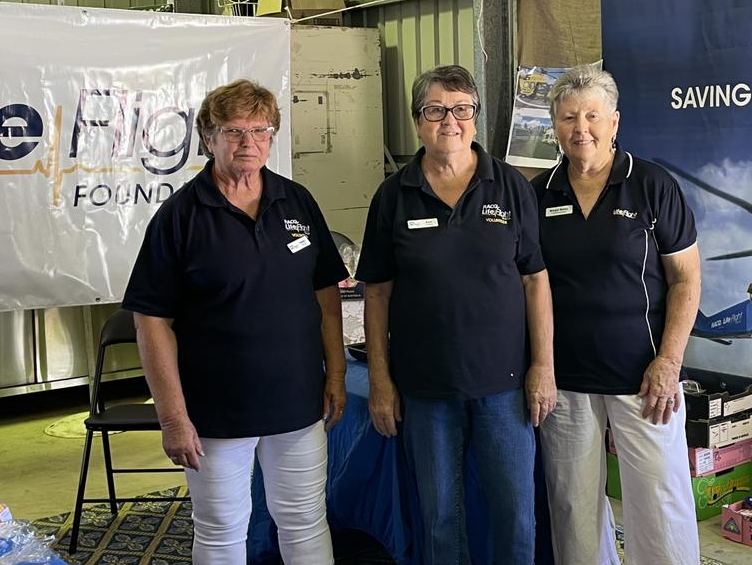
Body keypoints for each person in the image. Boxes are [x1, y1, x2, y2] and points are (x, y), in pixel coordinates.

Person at [122, 80, 349, 565]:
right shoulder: (180, 215)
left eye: (260, 130)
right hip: (215, 413)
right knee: (223, 531)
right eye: (234, 131)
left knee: (305, 521)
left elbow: (326, 296)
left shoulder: (297, 202)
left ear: (272, 136)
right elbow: (151, 322)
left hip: (297, 403)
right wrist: (173, 418)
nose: (249, 142)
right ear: (208, 138)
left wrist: (335, 374)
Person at [356, 65, 556, 565]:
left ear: (475, 117)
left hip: (505, 388)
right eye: (436, 110)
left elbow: (536, 281)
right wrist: (380, 381)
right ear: (418, 122)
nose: (451, 121)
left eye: (462, 109)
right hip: (425, 392)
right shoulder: (392, 196)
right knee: (439, 519)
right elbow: (376, 294)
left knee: (515, 515)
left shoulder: (510, 187)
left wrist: (543, 367)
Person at [531, 65, 702, 565]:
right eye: (567, 117)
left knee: (659, 501)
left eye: (592, 115)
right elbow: (527, 285)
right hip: (565, 380)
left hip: (645, 378)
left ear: (615, 122)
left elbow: (686, 281)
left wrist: (669, 361)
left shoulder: (651, 185)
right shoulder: (538, 195)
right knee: (572, 506)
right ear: (555, 127)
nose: (580, 128)